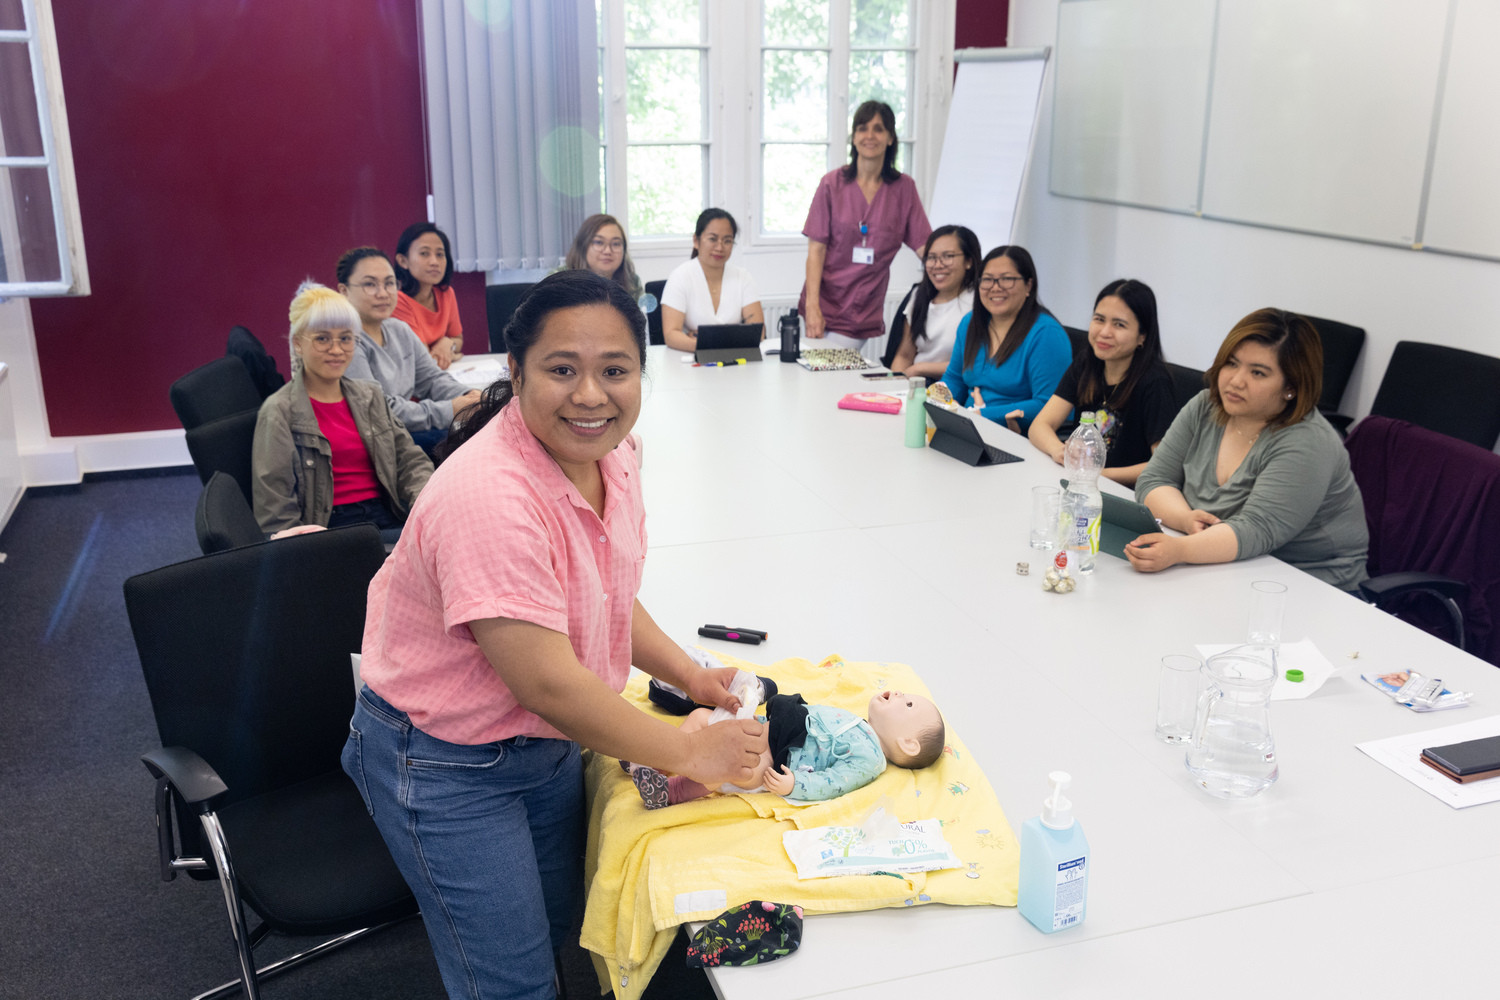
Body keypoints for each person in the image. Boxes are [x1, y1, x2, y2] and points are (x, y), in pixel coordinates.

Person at [342, 270, 768, 999]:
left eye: (615, 370)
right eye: (562, 370)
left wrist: (688, 674)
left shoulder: (614, 455)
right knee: (510, 983)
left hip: (541, 743)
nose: (591, 395)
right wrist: (690, 750)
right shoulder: (490, 496)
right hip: (448, 763)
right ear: (516, 370)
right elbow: (545, 679)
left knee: (565, 931)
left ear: (642, 372)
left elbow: (602, 596)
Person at [1126, 308, 1368, 590]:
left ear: (1291, 386)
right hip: (1228, 567)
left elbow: (1257, 529)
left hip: (1311, 585)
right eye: (1231, 363)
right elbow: (1155, 479)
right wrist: (1184, 519)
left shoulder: (1307, 441)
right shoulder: (1206, 406)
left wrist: (1180, 551)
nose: (1236, 380)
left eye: (1257, 372)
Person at [250, 282, 433, 543]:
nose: (337, 350)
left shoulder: (368, 396)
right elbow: (277, 514)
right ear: (298, 344)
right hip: (329, 529)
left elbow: (409, 460)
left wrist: (425, 503)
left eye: (346, 338)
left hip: (386, 514)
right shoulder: (279, 412)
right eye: (322, 338)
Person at [625, 688, 945, 808]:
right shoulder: (857, 722)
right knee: (700, 717)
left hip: (772, 759)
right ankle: (656, 760)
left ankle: (671, 791)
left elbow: (833, 783)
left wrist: (796, 785)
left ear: (908, 743)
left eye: (909, 703)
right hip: (764, 727)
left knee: (735, 767)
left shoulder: (870, 759)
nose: (900, 694)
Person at [800, 100, 932, 356]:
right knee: (819, 373)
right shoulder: (831, 184)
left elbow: (925, 246)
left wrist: (956, 271)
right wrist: (813, 307)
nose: (869, 136)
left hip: (861, 308)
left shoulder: (904, 189)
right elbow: (816, 250)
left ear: (891, 138)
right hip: (823, 301)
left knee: (831, 369)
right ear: (854, 137)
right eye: (862, 128)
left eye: (878, 129)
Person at [1027, 278, 1176, 486]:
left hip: (1125, 493)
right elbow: (1040, 426)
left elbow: (1163, 465)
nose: (1104, 332)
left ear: (1142, 336)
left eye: (1119, 325)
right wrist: (1060, 451)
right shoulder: (1088, 363)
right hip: (1083, 482)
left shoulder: (1155, 382)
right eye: (1099, 319)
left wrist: (1099, 474)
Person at [336, 246, 480, 453]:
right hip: (374, 442)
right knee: (461, 442)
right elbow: (377, 410)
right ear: (344, 291)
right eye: (370, 284)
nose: (383, 293)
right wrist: (451, 410)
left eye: (389, 283)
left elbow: (431, 379)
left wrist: (470, 397)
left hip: (405, 431)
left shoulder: (399, 330)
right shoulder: (344, 341)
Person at [939, 245, 1071, 432]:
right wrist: (936, 403)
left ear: (1028, 285)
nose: (995, 288)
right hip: (968, 428)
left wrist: (982, 416)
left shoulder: (1046, 334)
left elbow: (1048, 404)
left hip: (1017, 435)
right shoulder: (970, 323)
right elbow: (954, 378)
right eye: (987, 280)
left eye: (1007, 279)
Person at [660, 208, 765, 352]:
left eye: (727, 241)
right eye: (712, 239)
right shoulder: (680, 277)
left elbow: (758, 333)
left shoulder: (743, 277)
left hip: (734, 361)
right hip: (692, 360)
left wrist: (708, 341)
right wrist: (711, 345)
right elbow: (671, 335)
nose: (720, 247)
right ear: (696, 241)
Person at [889, 225, 980, 380]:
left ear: (968, 261)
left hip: (955, 387)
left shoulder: (979, 301)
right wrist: (895, 384)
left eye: (948, 256)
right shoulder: (919, 295)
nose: (938, 265)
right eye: (931, 257)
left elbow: (975, 362)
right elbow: (904, 356)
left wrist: (920, 369)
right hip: (916, 384)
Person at [392, 222, 463, 370]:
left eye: (440, 254)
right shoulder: (396, 300)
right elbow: (423, 357)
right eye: (424, 253)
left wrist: (447, 343)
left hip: (441, 375)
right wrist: (452, 351)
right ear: (403, 261)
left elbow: (458, 339)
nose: (434, 262)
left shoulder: (446, 293)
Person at [564, 213, 643, 302]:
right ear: (583, 246)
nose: (608, 251)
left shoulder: (632, 282)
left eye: (616, 244)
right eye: (599, 242)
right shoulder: (561, 280)